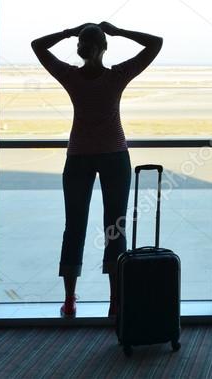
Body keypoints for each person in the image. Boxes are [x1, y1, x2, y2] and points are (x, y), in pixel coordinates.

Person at [30, 21, 163, 318]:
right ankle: (116, 300)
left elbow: (37, 45)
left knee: (74, 227)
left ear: (79, 48)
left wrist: (67, 31)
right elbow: (155, 43)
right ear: (104, 48)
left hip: (78, 156)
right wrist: (120, 31)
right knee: (115, 228)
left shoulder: (70, 76)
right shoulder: (117, 76)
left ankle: (69, 299)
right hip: (115, 155)